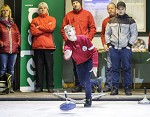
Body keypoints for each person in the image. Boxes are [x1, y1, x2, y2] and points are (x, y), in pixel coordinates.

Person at [61, 0, 96, 93]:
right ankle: (78, 85)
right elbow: (63, 30)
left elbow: (92, 28)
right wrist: (68, 41)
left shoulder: (88, 14)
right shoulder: (68, 16)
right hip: (74, 46)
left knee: (88, 66)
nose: (74, 4)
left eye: (76, 2)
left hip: (84, 45)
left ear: (80, 3)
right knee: (76, 66)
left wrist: (88, 39)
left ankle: (89, 85)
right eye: (73, 3)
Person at [105, 1, 138, 95]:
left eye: (122, 9)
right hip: (114, 49)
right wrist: (109, 45)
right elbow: (107, 33)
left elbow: (134, 34)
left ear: (125, 9)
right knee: (114, 68)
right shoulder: (111, 21)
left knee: (127, 68)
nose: (120, 11)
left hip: (125, 49)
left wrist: (129, 45)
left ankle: (127, 88)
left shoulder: (130, 21)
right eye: (119, 9)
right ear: (116, 10)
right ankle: (115, 88)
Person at [63, 24, 98, 107]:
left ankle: (88, 99)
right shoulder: (67, 44)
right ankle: (97, 82)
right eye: (67, 32)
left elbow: (94, 51)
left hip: (88, 61)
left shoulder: (84, 38)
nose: (69, 33)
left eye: (70, 31)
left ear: (74, 31)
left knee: (86, 82)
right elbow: (67, 56)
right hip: (79, 64)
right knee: (82, 83)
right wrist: (67, 54)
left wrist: (95, 65)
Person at [30, 2, 56, 93]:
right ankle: (39, 87)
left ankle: (50, 87)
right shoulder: (34, 20)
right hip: (38, 47)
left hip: (49, 47)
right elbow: (33, 32)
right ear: (38, 10)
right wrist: (45, 29)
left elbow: (51, 28)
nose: (42, 9)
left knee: (49, 68)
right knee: (38, 68)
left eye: (44, 8)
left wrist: (39, 27)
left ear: (47, 9)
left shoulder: (52, 19)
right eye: (41, 8)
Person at [0, 4, 21, 93]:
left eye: (7, 10)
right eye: (3, 10)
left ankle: (10, 87)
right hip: (3, 50)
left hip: (14, 50)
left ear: (9, 12)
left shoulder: (13, 24)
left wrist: (17, 44)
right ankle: (2, 87)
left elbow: (18, 35)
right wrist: (1, 43)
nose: (5, 12)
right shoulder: (0, 24)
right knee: (3, 68)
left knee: (11, 68)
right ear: (1, 12)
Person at [101, 2, 116, 92]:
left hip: (121, 47)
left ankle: (116, 86)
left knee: (120, 67)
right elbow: (103, 34)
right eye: (108, 9)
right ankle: (108, 86)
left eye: (112, 8)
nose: (110, 10)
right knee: (109, 67)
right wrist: (104, 44)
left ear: (116, 9)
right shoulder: (105, 21)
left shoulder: (121, 19)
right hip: (110, 48)